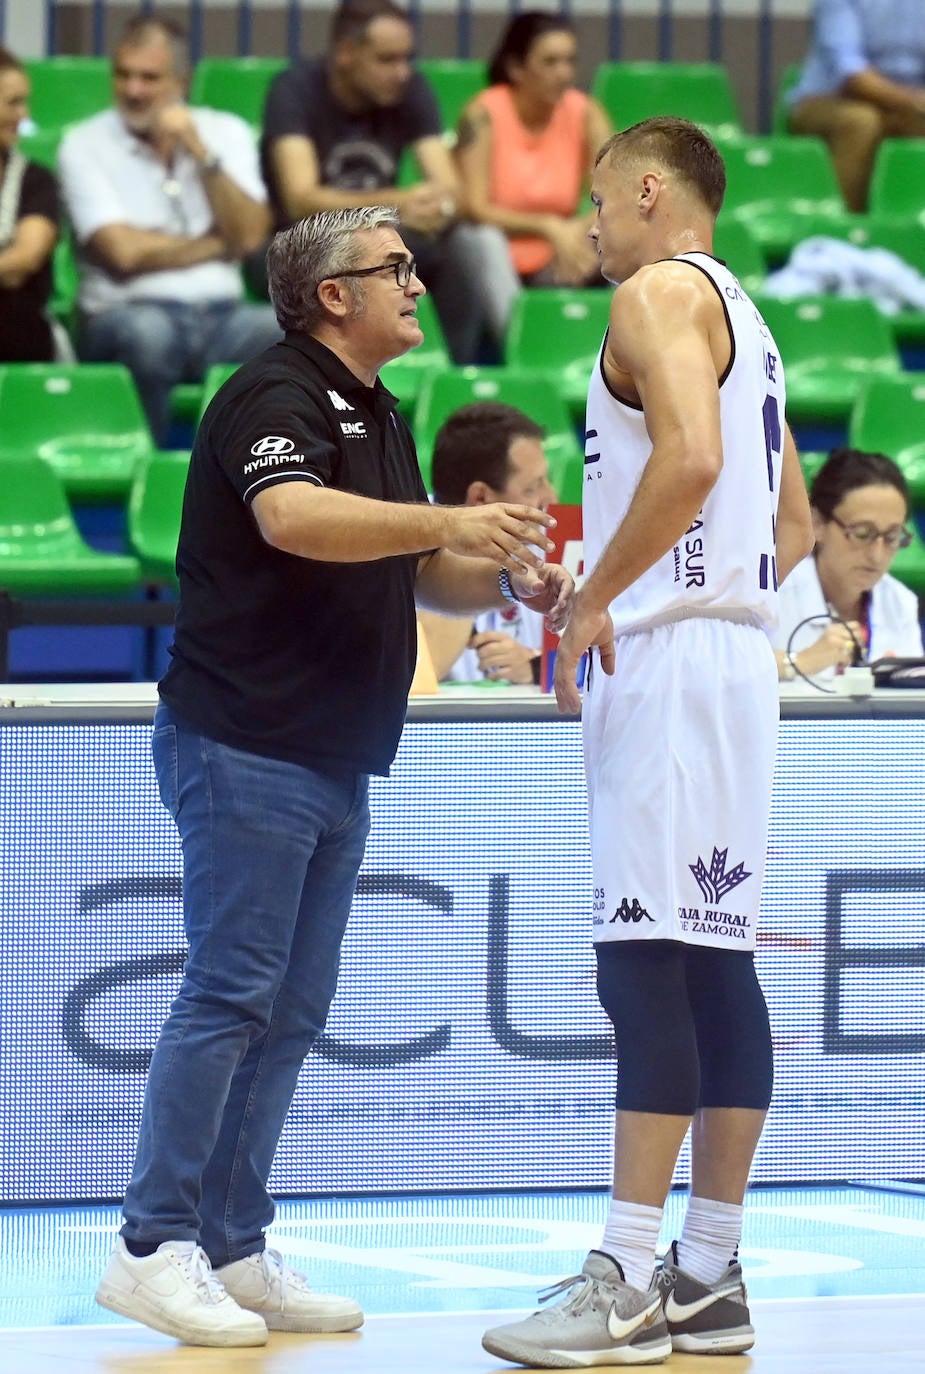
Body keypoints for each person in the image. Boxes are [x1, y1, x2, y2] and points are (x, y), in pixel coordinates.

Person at [94, 204, 573, 1349]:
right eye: (393, 268)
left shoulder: (378, 408)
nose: (417, 282)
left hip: (336, 751)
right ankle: (151, 1245)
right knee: (230, 996)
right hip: (247, 743)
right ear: (329, 296)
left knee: (291, 1011)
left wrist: (517, 578)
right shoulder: (276, 395)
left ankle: (232, 1243)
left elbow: (403, 567)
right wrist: (435, 526)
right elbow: (297, 518)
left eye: (412, 266)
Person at [483, 118, 814, 1368]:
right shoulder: (748, 312)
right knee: (714, 962)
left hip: (671, 661)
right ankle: (709, 1276)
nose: (586, 230)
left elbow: (689, 457)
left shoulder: (654, 292)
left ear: (648, 189)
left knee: (643, 964)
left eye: (596, 204)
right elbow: (780, 513)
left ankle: (624, 1275)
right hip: (734, 655)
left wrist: (593, 599)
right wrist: (658, 579)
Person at [57, 14, 280, 443]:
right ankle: (150, 465)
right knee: (149, 336)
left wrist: (200, 152)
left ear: (182, 81)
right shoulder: (83, 143)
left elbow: (250, 235)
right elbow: (122, 252)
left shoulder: (224, 133)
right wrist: (219, 244)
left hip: (223, 317)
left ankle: (256, 477)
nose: (132, 90)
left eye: (149, 78)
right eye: (123, 75)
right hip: (123, 315)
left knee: (291, 330)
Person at [261, 0, 486, 364]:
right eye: (386, 60)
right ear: (347, 53)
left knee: (463, 246)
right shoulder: (295, 89)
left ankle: (454, 372)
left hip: (378, 238)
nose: (401, 72)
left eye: (406, 58)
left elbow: (450, 190)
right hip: (302, 244)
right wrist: (399, 204)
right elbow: (300, 199)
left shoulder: (410, 89)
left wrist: (437, 207)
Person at [454, 10, 612, 349]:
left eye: (570, 61)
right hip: (497, 255)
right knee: (479, 238)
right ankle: (520, 348)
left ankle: (625, 353)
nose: (564, 73)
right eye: (550, 62)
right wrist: (549, 226)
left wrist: (577, 229)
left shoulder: (586, 112)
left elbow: (617, 193)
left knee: (626, 227)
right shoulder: (482, 114)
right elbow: (474, 207)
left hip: (561, 256)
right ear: (516, 68)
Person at [420, 401, 557, 684]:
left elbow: (603, 665)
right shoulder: (407, 553)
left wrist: (534, 668)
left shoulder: (547, 549)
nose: (551, 498)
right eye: (533, 487)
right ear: (481, 497)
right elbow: (412, 683)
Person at [774, 447, 923, 682]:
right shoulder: (773, 594)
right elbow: (725, 671)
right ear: (818, 524)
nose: (877, 555)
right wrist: (799, 662)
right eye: (863, 533)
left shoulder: (900, 602)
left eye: (892, 536)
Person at [787, 0, 925, 212]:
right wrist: (914, 101)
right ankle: (846, 229)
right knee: (861, 121)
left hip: (907, 107)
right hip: (829, 100)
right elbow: (851, 74)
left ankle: (909, 227)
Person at [0, 47, 60, 362]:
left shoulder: (35, 179)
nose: (23, 115)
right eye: (13, 103)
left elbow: (23, 260)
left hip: (15, 329)